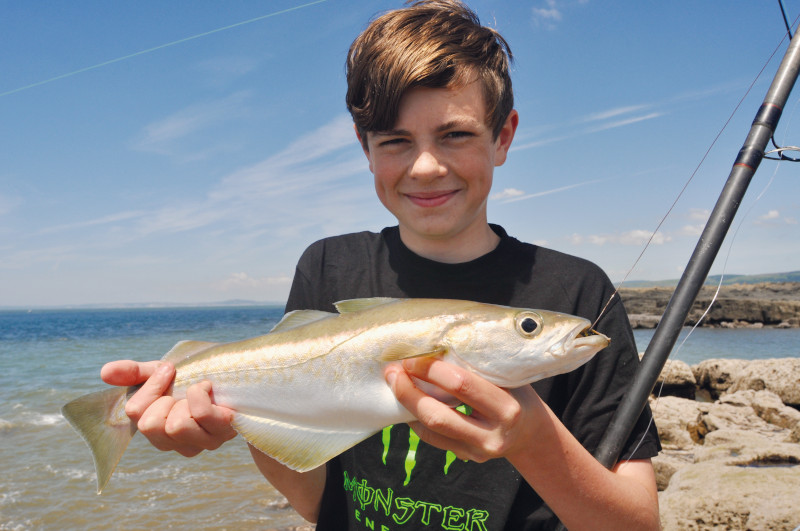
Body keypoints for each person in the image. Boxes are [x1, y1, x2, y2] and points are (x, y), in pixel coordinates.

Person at [101, 1, 661, 529]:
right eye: (395, 141)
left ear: (503, 136)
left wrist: (533, 441)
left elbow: (638, 522)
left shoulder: (581, 290)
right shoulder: (327, 265)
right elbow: (317, 497)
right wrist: (234, 419)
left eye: (456, 134)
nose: (424, 167)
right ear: (364, 147)